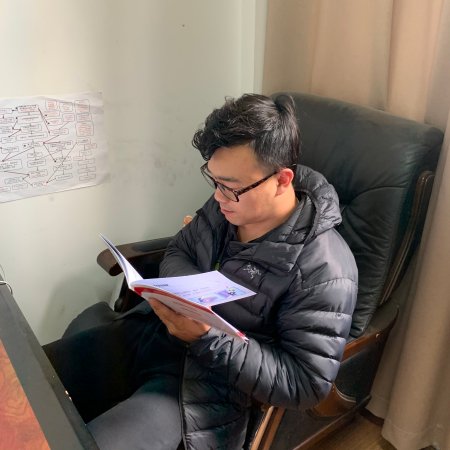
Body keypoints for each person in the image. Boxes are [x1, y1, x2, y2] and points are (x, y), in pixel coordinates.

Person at [43, 94, 358, 450]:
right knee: (30, 378)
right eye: (214, 179)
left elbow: (305, 384)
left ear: (282, 180)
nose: (218, 197)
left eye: (230, 187)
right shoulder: (229, 203)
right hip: (153, 333)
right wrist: (185, 296)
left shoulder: (326, 270)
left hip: (208, 388)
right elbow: (180, 249)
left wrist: (207, 336)